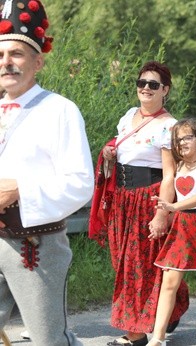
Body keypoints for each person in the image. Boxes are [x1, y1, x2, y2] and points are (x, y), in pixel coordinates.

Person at [0, 1, 93, 345]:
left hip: (34, 246)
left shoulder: (60, 110)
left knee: (47, 340)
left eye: (17, 54)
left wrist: (20, 190)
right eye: (1, 54)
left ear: (37, 61)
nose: (6, 62)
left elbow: (81, 183)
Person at [93, 61, 189, 346]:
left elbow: (170, 174)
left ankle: (135, 332)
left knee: (136, 266)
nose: (145, 88)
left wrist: (162, 212)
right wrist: (110, 153)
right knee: (122, 262)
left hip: (148, 199)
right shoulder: (128, 116)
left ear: (165, 90)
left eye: (153, 85)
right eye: (142, 83)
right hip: (122, 200)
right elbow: (123, 154)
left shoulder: (169, 126)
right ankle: (175, 302)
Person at [147, 118, 196, 346]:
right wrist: (166, 214)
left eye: (187, 137)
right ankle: (158, 337)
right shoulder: (179, 166)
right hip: (182, 226)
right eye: (178, 140)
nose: (182, 143)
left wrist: (173, 207)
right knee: (169, 281)